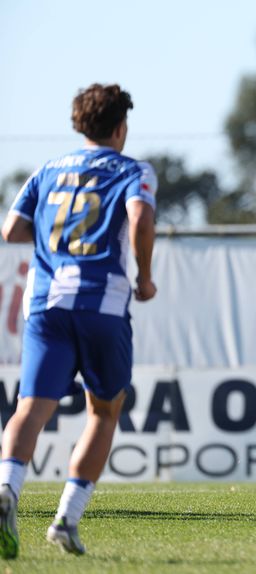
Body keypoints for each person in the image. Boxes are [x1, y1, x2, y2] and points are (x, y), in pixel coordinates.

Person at [0, 83, 157, 558]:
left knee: (30, 408)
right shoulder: (133, 169)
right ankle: (66, 519)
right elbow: (140, 219)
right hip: (101, 303)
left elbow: (11, 229)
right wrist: (145, 277)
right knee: (104, 410)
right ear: (120, 128)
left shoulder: (47, 169)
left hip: (46, 303)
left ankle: (7, 486)